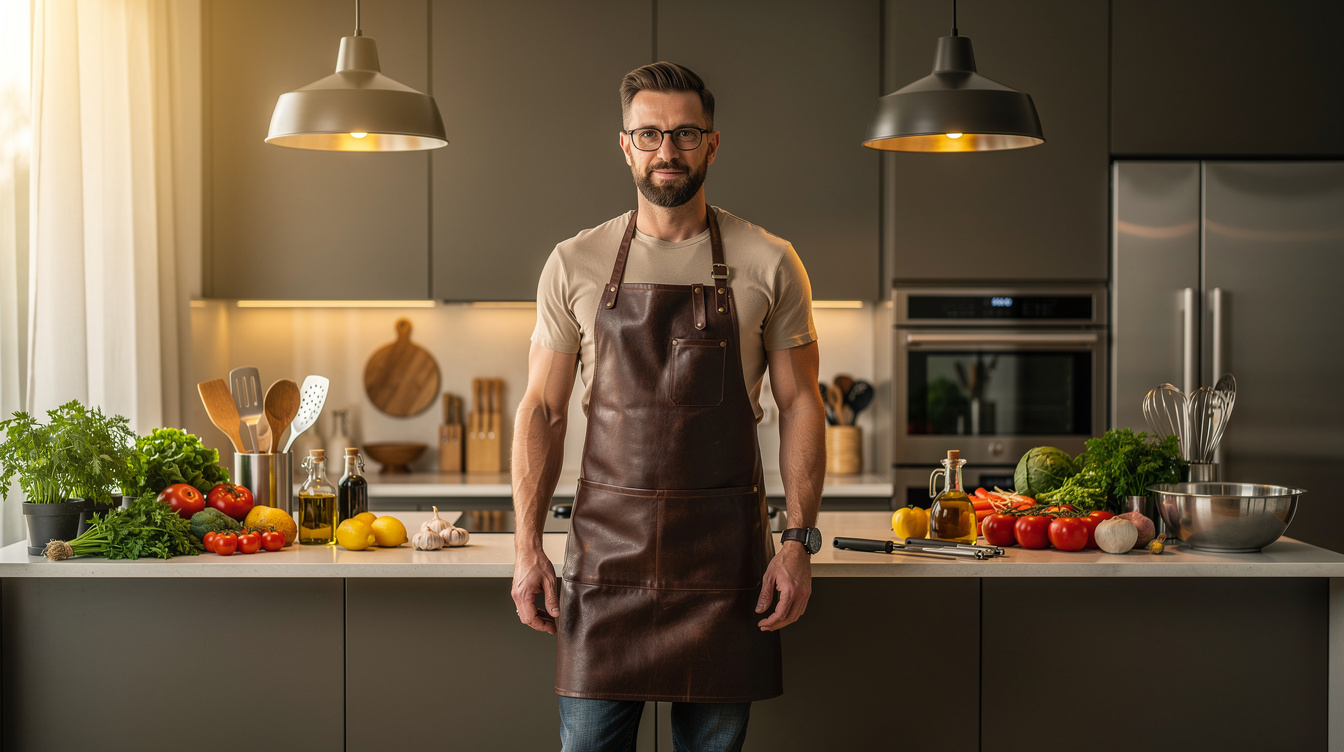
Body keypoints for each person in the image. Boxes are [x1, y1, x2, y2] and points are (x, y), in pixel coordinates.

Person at [510, 61, 826, 752]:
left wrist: (798, 541)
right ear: (625, 145)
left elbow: (803, 404)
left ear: (712, 144)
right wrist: (528, 548)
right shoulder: (574, 261)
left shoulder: (770, 260)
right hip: (605, 557)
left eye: (684, 133)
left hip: (724, 556)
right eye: (649, 134)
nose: (667, 151)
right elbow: (541, 410)